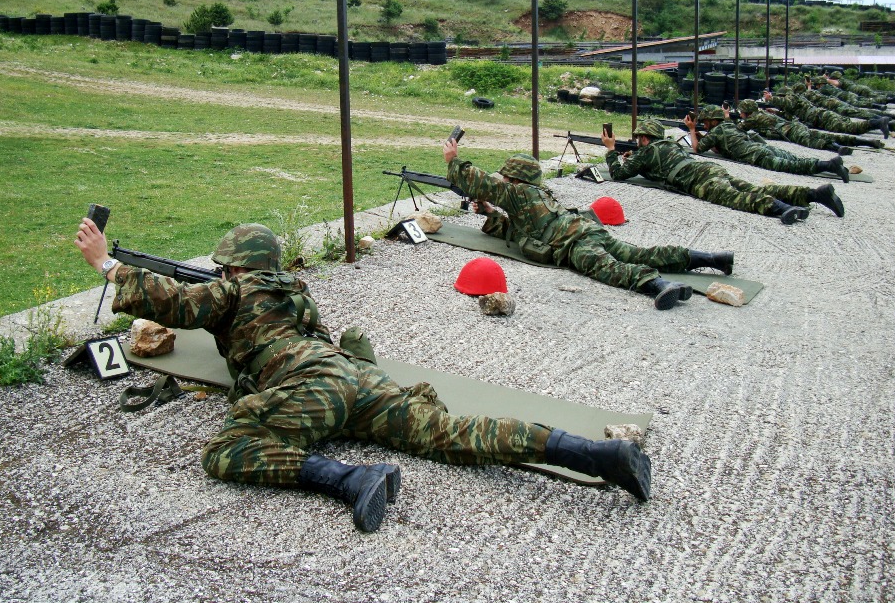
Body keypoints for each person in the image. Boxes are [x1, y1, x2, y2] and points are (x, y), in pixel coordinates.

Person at [74, 219, 652, 533]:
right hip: (359, 381)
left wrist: (107, 263)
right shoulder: (294, 291)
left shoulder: (231, 289)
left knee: (228, 450)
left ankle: (351, 479)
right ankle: (592, 454)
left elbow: (174, 301)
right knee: (456, 432)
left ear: (232, 265)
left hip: (310, 389)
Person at [442, 140, 734, 311]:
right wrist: (491, 214)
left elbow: (483, 183)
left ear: (515, 179)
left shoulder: (519, 193)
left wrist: (454, 162)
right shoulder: (538, 195)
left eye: (506, 177)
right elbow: (516, 231)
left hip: (574, 244)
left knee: (608, 269)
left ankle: (658, 284)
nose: (502, 181)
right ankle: (709, 258)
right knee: (641, 253)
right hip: (586, 229)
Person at [601, 118, 845, 222]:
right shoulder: (665, 145)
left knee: (737, 198)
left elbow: (619, 174)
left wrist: (611, 150)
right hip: (708, 169)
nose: (636, 142)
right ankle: (814, 194)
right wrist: (632, 155)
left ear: (644, 138)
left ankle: (783, 209)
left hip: (698, 180)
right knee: (756, 187)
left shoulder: (645, 152)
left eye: (638, 139)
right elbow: (652, 160)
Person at [685, 104, 849, 183]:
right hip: (762, 147)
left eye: (706, 122)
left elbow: (697, 149)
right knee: (795, 159)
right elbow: (719, 148)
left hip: (757, 155)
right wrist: (700, 134)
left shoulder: (716, 131)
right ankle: (833, 166)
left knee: (793, 167)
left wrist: (692, 130)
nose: (705, 125)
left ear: (713, 121)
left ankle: (829, 166)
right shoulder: (728, 125)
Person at [734, 98, 883, 154]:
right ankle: (867, 142)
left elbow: (738, 129)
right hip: (795, 126)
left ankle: (837, 148)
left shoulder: (753, 118)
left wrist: (728, 117)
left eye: (741, 112)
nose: (740, 114)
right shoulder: (761, 114)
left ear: (747, 112)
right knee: (828, 135)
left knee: (813, 142)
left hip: (790, 131)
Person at [766, 87, 890, 139]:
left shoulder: (792, 98)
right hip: (822, 115)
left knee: (851, 129)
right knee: (849, 124)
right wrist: (775, 112)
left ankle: (878, 123)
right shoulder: (795, 102)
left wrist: (771, 99)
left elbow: (788, 103)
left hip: (821, 118)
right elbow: (789, 114)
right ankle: (879, 123)